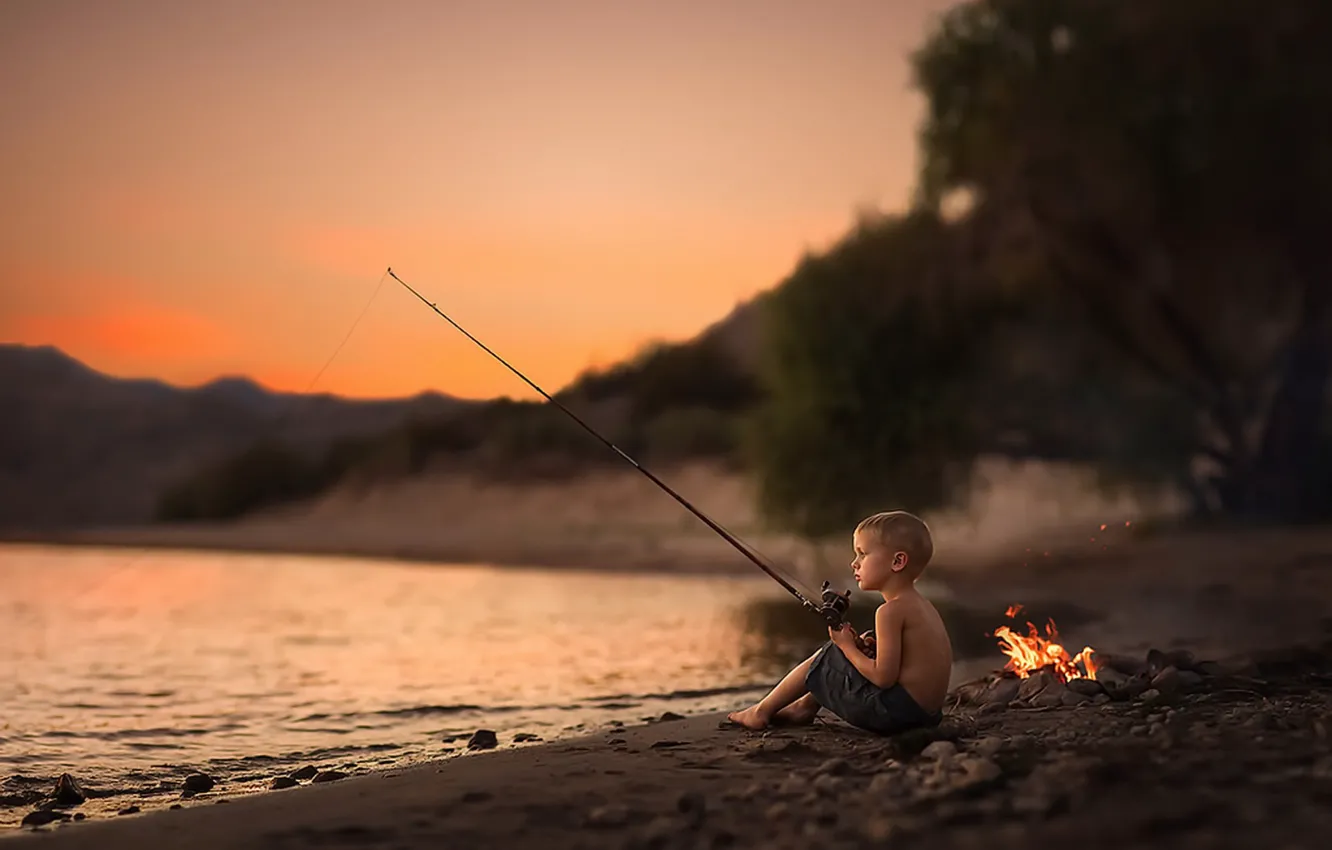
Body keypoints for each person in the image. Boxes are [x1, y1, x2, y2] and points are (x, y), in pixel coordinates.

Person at [726, 510, 953, 734]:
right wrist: (860, 651)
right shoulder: (922, 606)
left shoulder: (889, 612)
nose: (855, 563)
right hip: (926, 716)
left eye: (863, 554)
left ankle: (761, 712)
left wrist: (846, 646)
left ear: (897, 561)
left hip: (896, 715)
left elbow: (883, 678)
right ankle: (803, 707)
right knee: (853, 649)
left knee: (830, 654)